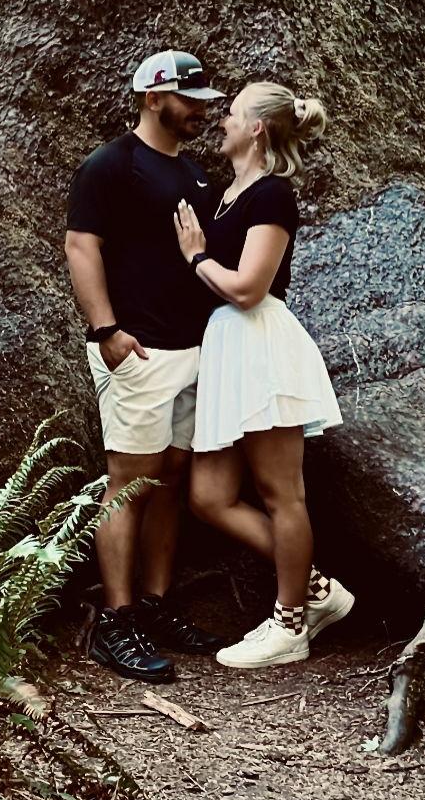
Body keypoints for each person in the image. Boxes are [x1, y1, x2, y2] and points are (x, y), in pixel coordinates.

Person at [173, 81, 354, 669]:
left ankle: (290, 625)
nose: (221, 120)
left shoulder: (273, 196)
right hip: (228, 348)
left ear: (255, 129)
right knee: (209, 496)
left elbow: (250, 288)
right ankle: (317, 590)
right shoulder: (231, 192)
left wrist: (198, 258)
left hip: (259, 344)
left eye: (231, 113)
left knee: (282, 494)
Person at [65, 50, 228, 681]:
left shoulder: (192, 171)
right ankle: (116, 621)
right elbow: (82, 245)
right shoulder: (109, 165)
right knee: (128, 483)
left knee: (171, 478)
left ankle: (157, 607)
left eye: (206, 102)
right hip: (139, 350)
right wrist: (107, 329)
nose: (200, 112)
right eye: (190, 100)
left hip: (194, 349)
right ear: (154, 97)